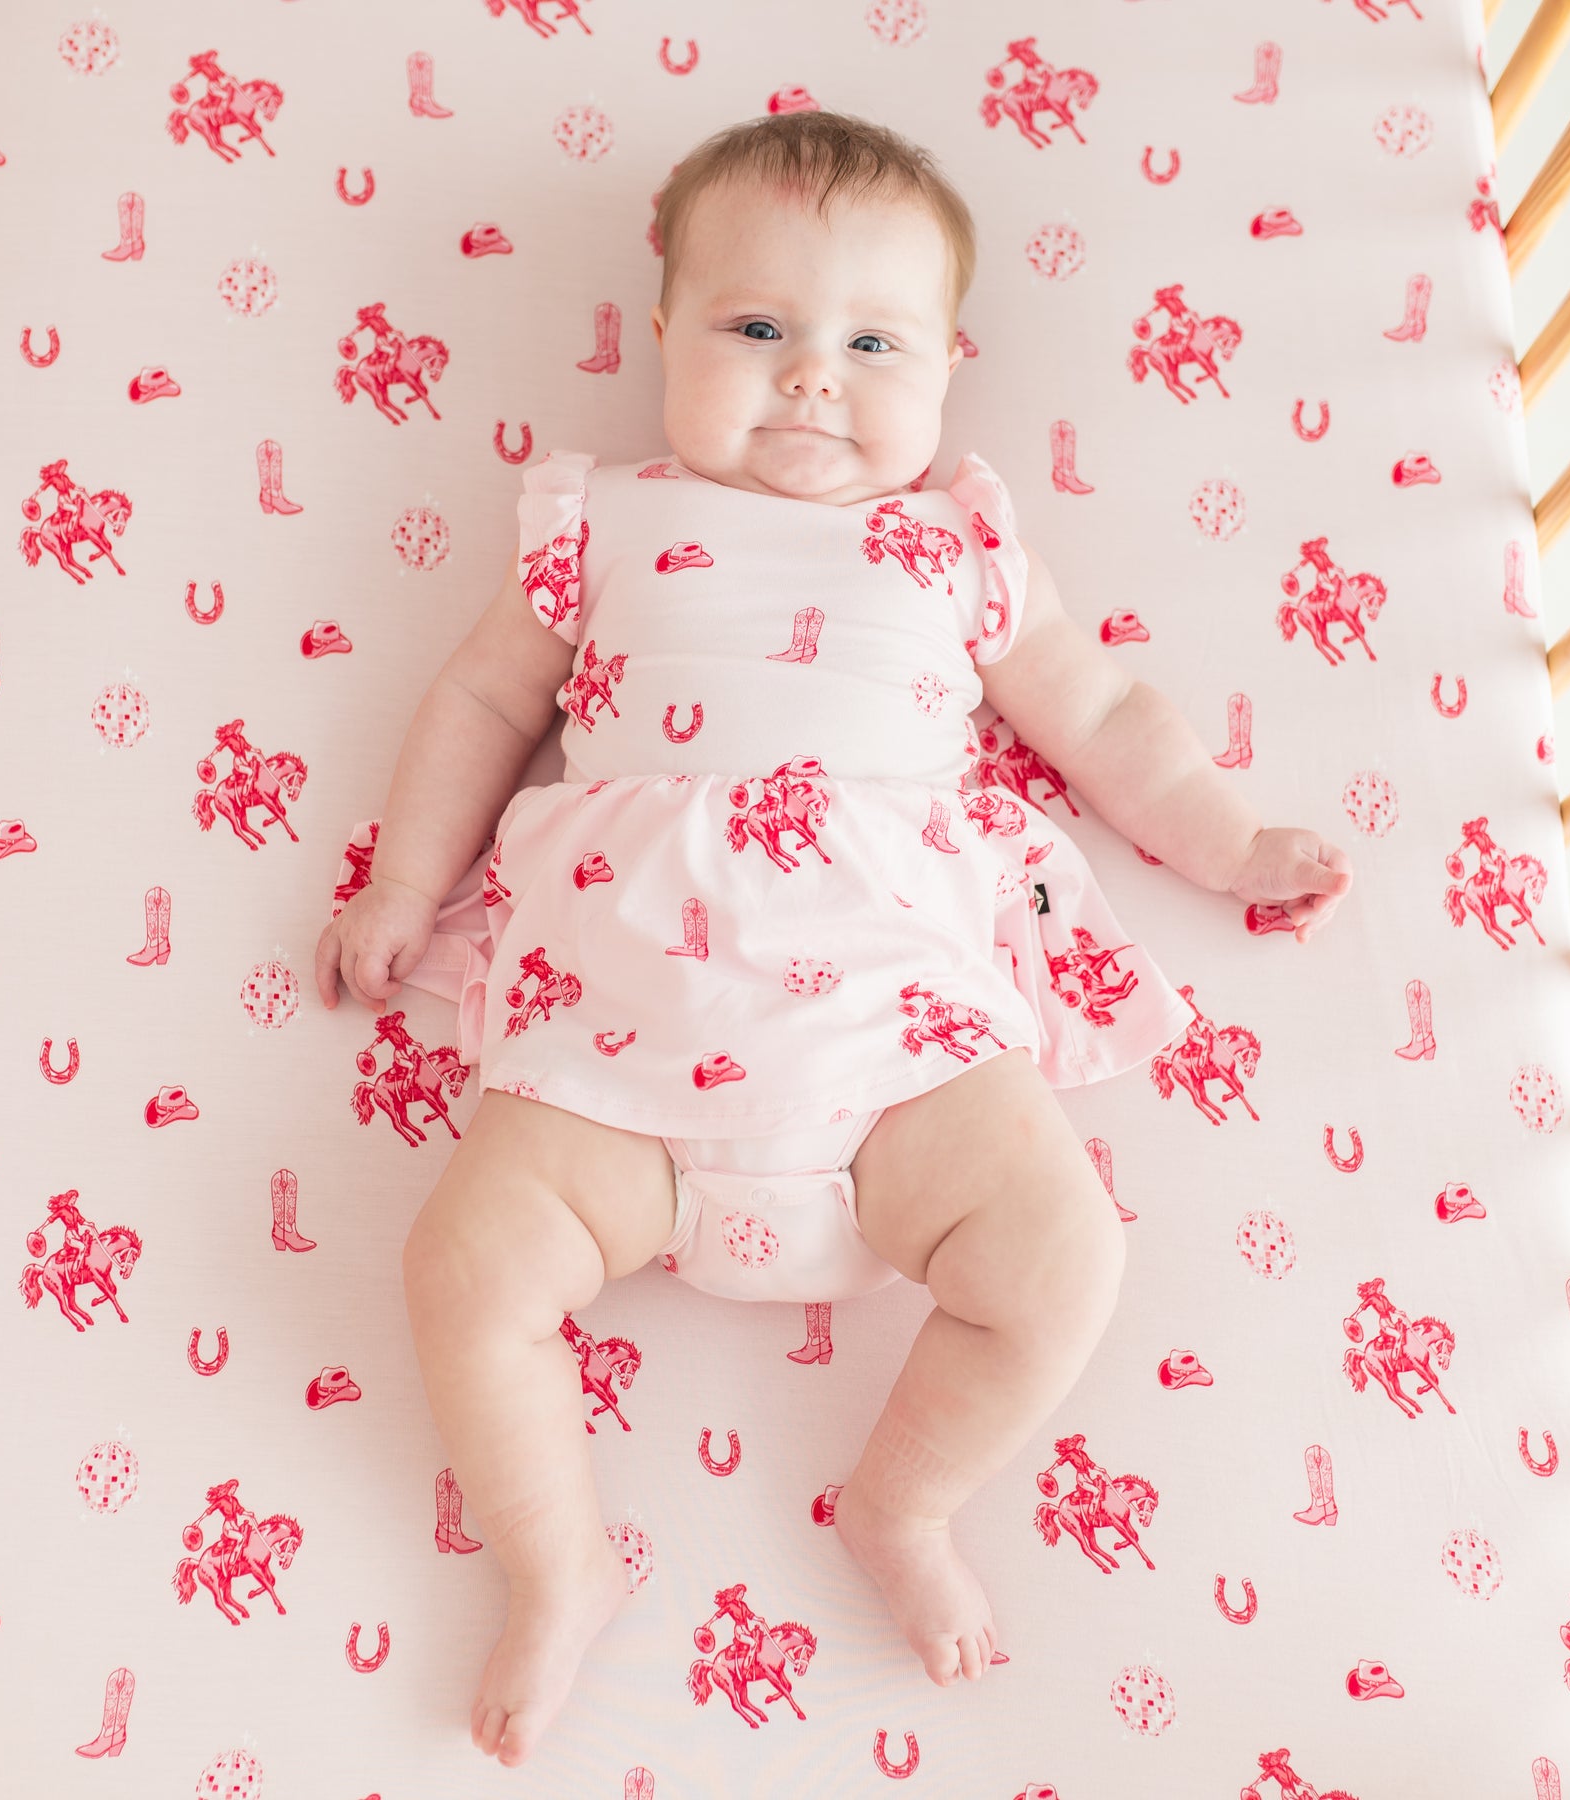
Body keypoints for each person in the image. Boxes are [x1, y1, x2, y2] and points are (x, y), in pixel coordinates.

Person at [313, 110, 1353, 1771]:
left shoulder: (957, 542)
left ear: (951, 365)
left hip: (901, 1058)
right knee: (462, 1267)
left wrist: (1228, 840)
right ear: (658, 336)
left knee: (1065, 1256)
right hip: (617, 1051)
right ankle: (558, 1559)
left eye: (872, 342)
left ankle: (905, 1503)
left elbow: (1098, 710)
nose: (812, 377)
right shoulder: (602, 522)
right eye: (754, 329)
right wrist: (393, 885)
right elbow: (484, 703)